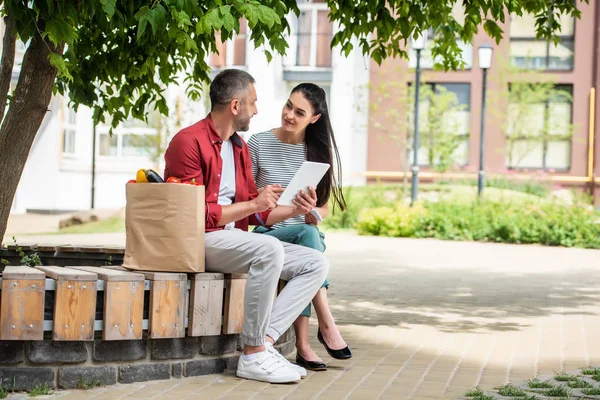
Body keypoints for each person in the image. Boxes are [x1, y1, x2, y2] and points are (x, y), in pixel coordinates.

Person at [163, 69, 329, 384]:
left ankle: (264, 344)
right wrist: (255, 204)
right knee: (267, 249)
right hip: (197, 241)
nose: (257, 110)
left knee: (315, 263)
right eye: (252, 103)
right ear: (236, 106)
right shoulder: (188, 142)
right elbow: (192, 214)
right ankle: (251, 354)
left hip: (233, 241)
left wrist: (293, 207)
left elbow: (258, 216)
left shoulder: (238, 147)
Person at [248, 83, 352, 371]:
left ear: (314, 118)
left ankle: (305, 346)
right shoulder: (258, 143)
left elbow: (324, 207)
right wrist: (288, 210)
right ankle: (325, 324)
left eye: (299, 112)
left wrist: (312, 214)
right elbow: (250, 204)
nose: (289, 115)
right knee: (311, 240)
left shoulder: (316, 150)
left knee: (309, 233)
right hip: (267, 234)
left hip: (303, 234)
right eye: (288, 105)